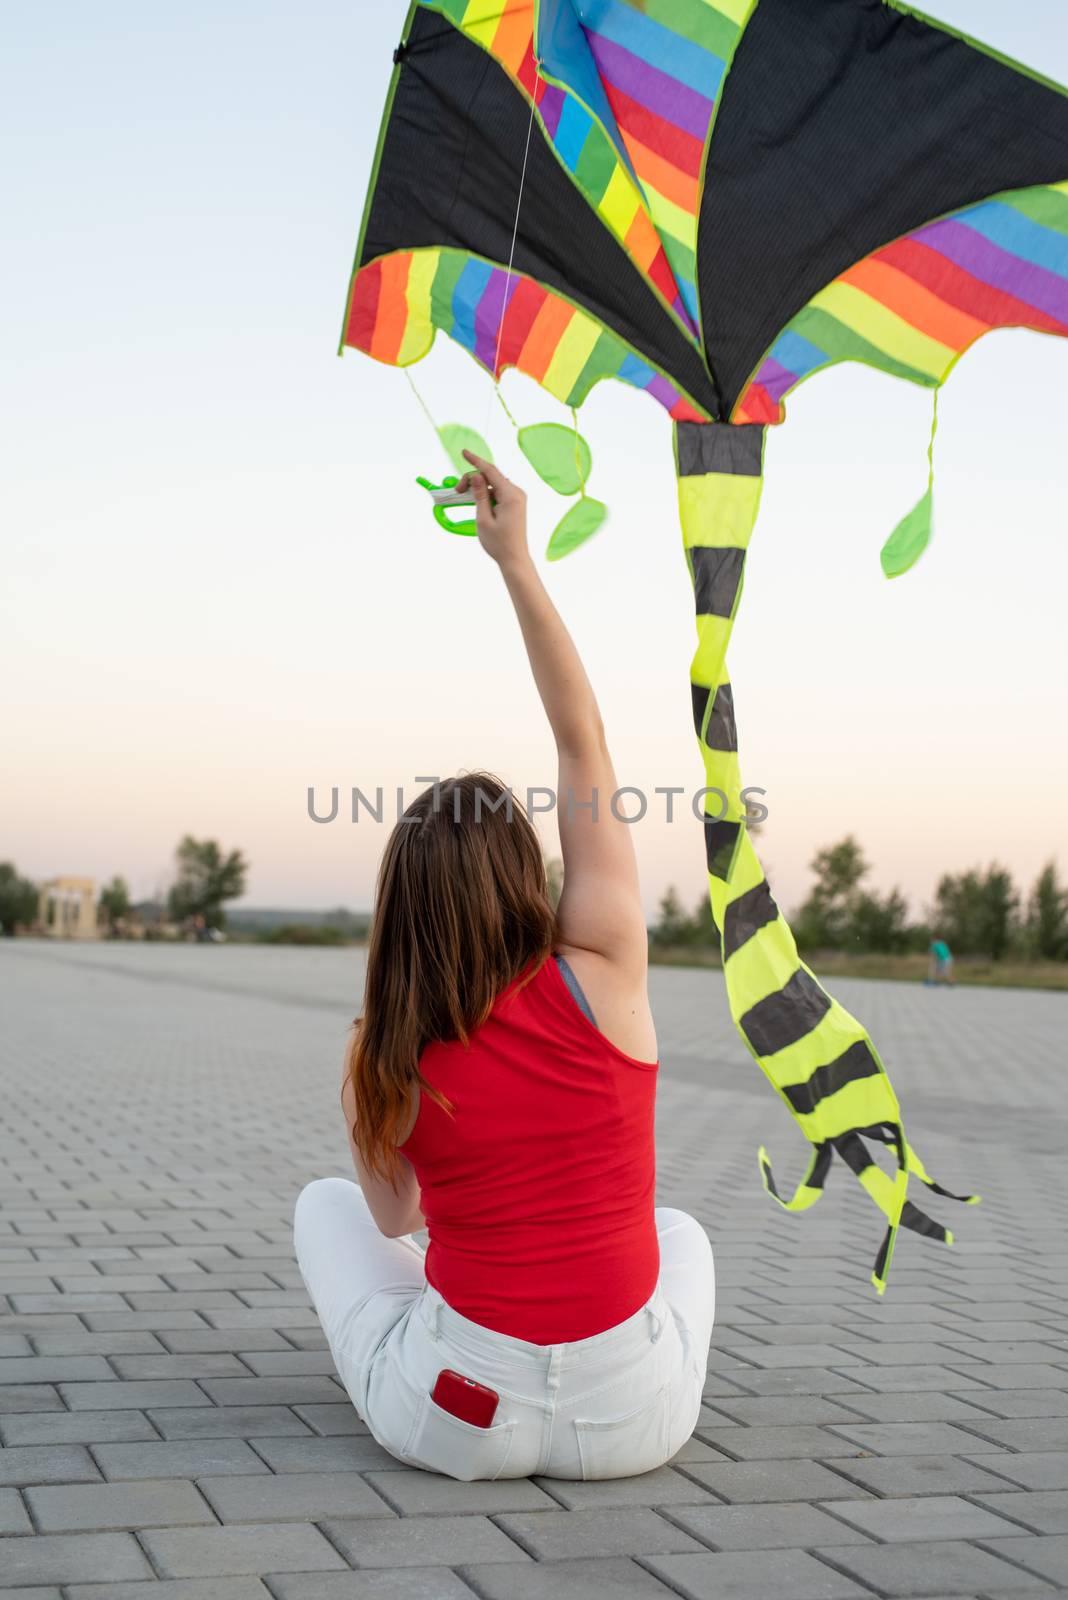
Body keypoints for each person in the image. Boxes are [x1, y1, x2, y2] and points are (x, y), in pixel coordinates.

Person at [293, 450, 715, 1482]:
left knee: (326, 1209)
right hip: (637, 1421)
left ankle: (443, 1360)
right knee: (683, 1234)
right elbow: (585, 743)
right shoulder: (606, 968)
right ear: (529, 874)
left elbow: (397, 1221)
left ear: (403, 910)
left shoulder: (385, 1047)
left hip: (459, 1411)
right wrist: (515, 560)